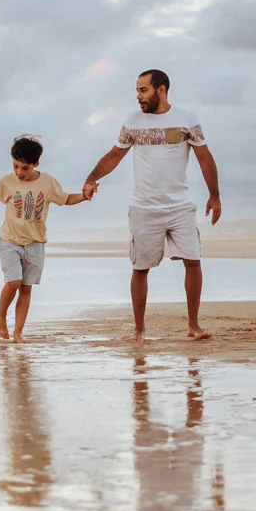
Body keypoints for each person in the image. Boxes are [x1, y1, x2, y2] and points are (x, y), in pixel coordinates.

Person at [82, 69, 220, 342]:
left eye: (143, 90)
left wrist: (214, 196)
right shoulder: (133, 121)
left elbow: (205, 157)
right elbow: (115, 155)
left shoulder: (187, 119)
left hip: (180, 206)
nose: (138, 97)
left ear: (161, 90)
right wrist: (91, 178)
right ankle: (139, 330)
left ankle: (193, 325)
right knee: (140, 268)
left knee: (193, 261)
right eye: (137, 91)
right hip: (144, 207)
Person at [0, 134, 91, 342]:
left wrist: (84, 196)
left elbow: (65, 199)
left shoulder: (47, 182)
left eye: (25, 168)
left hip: (36, 243)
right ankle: (1, 313)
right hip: (10, 240)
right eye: (15, 166)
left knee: (26, 288)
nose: (19, 172)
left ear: (36, 163)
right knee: (14, 282)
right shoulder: (7, 182)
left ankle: (18, 332)